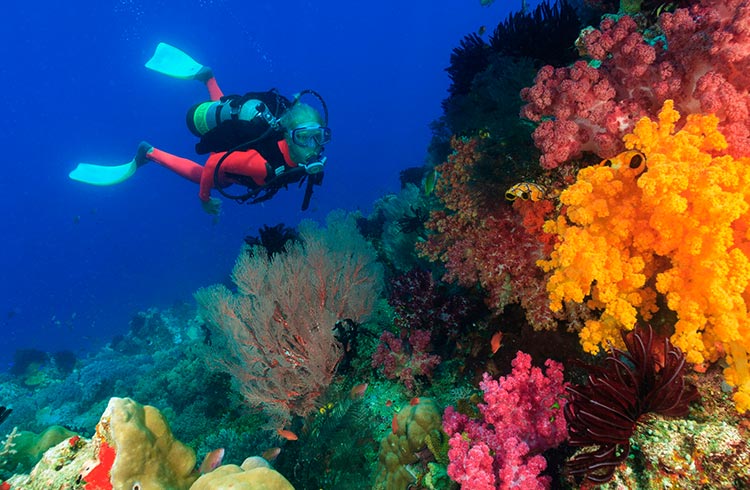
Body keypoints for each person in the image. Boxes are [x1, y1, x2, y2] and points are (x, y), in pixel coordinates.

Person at [69, 43, 331, 214]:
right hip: (215, 144)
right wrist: (204, 198)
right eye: (304, 138)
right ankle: (148, 153)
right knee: (212, 177)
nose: (312, 147)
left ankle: (208, 78)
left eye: (318, 138)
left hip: (239, 122)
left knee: (232, 111)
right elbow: (213, 164)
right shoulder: (260, 165)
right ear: (288, 134)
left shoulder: (304, 155)